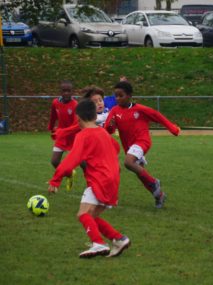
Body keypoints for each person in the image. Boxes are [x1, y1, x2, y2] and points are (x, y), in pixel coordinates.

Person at [48, 99, 130, 258]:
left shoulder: (83, 136)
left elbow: (71, 160)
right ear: (94, 116)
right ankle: (119, 239)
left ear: (78, 118)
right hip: (113, 178)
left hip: (99, 178)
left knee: (83, 214)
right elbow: (116, 147)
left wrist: (55, 180)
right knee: (92, 216)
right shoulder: (104, 133)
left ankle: (98, 244)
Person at [104, 81, 180, 208]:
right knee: (140, 173)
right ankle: (159, 195)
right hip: (129, 146)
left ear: (129, 95)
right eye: (116, 96)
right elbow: (109, 130)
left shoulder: (140, 109)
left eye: (121, 95)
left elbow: (157, 116)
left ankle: (154, 182)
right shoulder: (114, 111)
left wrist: (172, 128)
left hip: (142, 142)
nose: (118, 98)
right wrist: (110, 125)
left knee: (128, 163)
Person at [48, 80, 78, 191]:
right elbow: (53, 117)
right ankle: (69, 174)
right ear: (60, 91)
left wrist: (64, 131)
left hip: (73, 137)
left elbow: (76, 124)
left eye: (68, 91)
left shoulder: (75, 105)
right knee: (54, 161)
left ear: (72, 92)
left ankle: (91, 183)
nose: (66, 93)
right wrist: (51, 128)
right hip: (61, 137)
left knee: (82, 163)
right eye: (63, 91)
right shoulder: (55, 103)